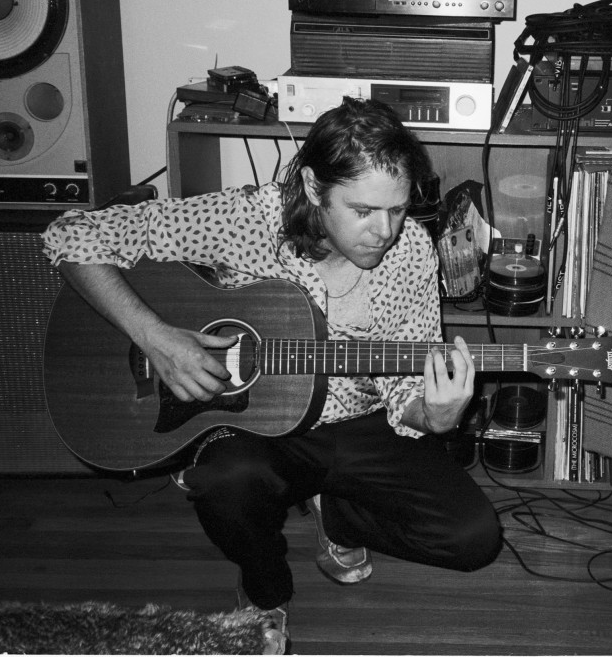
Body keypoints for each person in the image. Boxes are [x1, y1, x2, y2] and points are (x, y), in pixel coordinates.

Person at [41, 97, 503, 653]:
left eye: (398, 210)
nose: (384, 231)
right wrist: (155, 335)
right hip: (260, 427)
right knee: (225, 482)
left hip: (360, 422)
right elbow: (71, 233)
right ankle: (264, 592)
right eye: (363, 211)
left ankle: (341, 517)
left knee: (473, 539)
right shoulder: (245, 220)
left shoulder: (410, 251)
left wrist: (434, 414)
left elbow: (405, 383)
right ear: (312, 187)